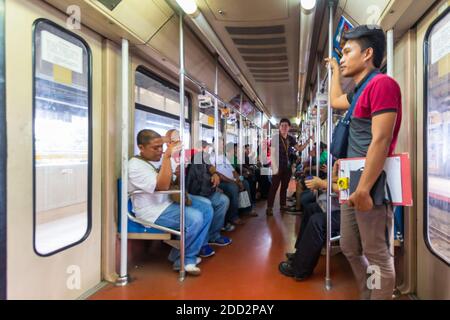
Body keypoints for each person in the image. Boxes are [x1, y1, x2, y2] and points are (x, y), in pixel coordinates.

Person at [326, 25, 402, 300]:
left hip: (370, 183)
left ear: (368, 53)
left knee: (377, 255)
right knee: (348, 246)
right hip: (351, 179)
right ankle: (368, 294)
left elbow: (381, 140)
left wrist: (364, 189)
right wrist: (335, 69)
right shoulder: (359, 92)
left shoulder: (382, 85)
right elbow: (335, 100)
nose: (343, 57)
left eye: (348, 52)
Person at [128, 129, 213, 276]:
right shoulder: (135, 166)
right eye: (155, 148)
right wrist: (167, 157)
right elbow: (162, 186)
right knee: (195, 218)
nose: (160, 151)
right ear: (141, 148)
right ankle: (185, 260)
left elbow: (167, 181)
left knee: (206, 207)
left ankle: (177, 254)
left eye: (161, 147)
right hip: (152, 212)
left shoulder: (150, 162)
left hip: (166, 202)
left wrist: (176, 175)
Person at [279, 163, 341, 280]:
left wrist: (322, 183)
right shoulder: (346, 162)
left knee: (316, 221)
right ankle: (299, 253)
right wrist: (330, 176)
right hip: (340, 207)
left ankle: (301, 269)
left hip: (350, 212)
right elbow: (342, 178)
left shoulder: (360, 163)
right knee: (310, 209)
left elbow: (349, 186)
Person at [186, 140, 232, 257]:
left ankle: (214, 235)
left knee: (223, 200)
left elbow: (210, 167)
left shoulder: (207, 157)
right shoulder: (196, 156)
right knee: (206, 204)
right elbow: (199, 180)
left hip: (207, 191)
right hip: (195, 193)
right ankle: (202, 242)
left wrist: (215, 173)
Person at [266, 118, 310, 216]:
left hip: (287, 167)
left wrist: (308, 141)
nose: (284, 127)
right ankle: (269, 207)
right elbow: (272, 153)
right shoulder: (275, 138)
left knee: (284, 187)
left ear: (289, 127)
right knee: (274, 187)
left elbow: (299, 148)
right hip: (277, 166)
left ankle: (283, 205)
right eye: (282, 125)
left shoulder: (291, 139)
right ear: (279, 127)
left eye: (286, 126)